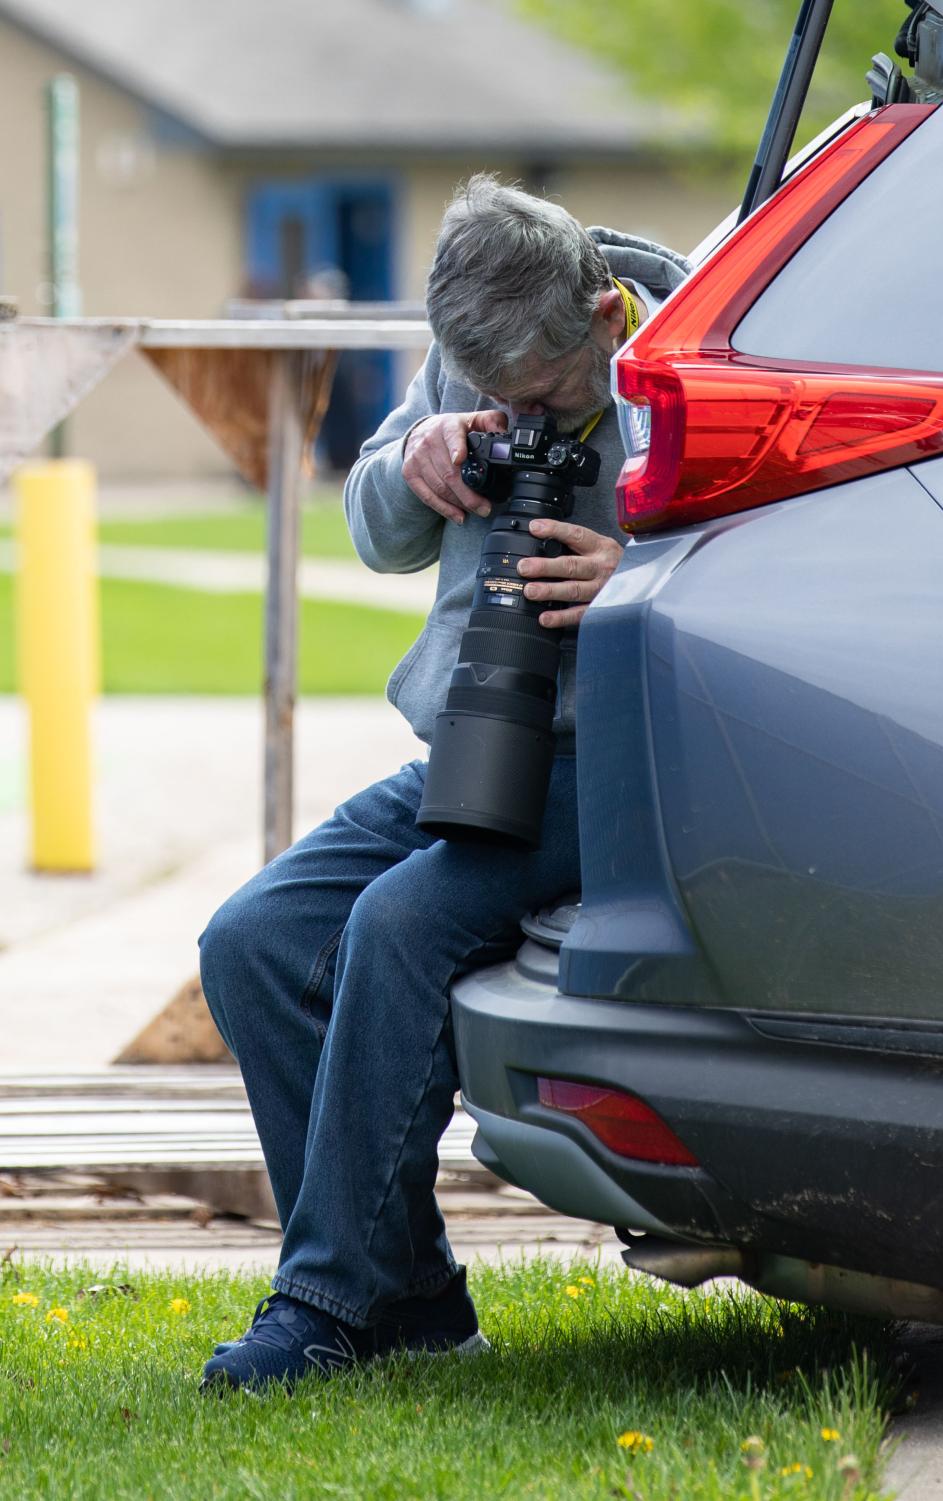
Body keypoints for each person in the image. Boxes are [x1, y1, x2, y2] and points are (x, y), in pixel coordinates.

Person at [197, 176, 689, 1391]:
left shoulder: (687, 358)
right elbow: (375, 533)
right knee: (252, 939)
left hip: (616, 766)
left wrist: (632, 580)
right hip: (471, 749)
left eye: (537, 389)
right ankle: (414, 1297)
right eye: (487, 392)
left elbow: (768, 574)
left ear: (603, 312)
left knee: (399, 922)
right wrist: (410, 458)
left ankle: (324, 1300)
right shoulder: (472, 351)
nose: (509, 410)